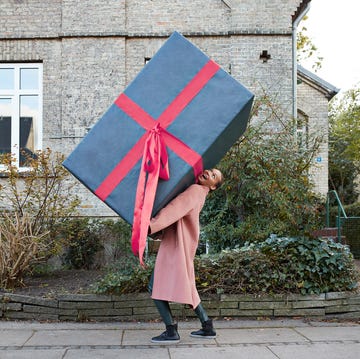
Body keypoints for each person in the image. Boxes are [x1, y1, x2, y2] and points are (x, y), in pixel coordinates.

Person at [147, 168, 224, 344]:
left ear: (212, 187)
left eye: (213, 176)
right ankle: (207, 325)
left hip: (177, 245)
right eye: (210, 171)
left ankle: (171, 330)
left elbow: (174, 209)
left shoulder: (195, 190)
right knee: (188, 284)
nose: (209, 173)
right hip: (183, 244)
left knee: (154, 286)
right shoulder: (200, 193)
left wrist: (150, 226)